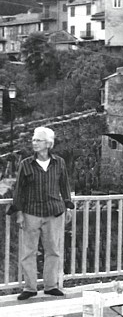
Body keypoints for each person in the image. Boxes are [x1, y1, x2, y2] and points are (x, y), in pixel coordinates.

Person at [7, 127, 74, 300]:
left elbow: (65, 186)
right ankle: (30, 288)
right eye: (34, 140)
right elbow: (19, 189)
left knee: (53, 250)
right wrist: (19, 213)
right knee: (28, 252)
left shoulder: (59, 163)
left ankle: (50, 286)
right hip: (31, 212)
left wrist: (68, 207)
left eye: (38, 140)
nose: (34, 143)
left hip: (54, 212)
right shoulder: (26, 164)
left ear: (48, 144)